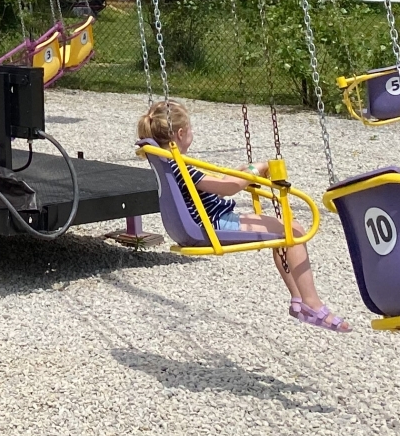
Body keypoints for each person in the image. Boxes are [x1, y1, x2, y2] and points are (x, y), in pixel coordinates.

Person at [137, 98, 351, 332]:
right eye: (191, 129)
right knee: (294, 230)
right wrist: (255, 169)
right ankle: (312, 303)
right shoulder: (179, 165)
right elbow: (228, 189)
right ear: (180, 133)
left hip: (204, 221)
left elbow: (211, 184)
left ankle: (299, 301)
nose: (192, 133)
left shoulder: (170, 162)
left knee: (282, 231)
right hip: (212, 225)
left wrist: (234, 174)